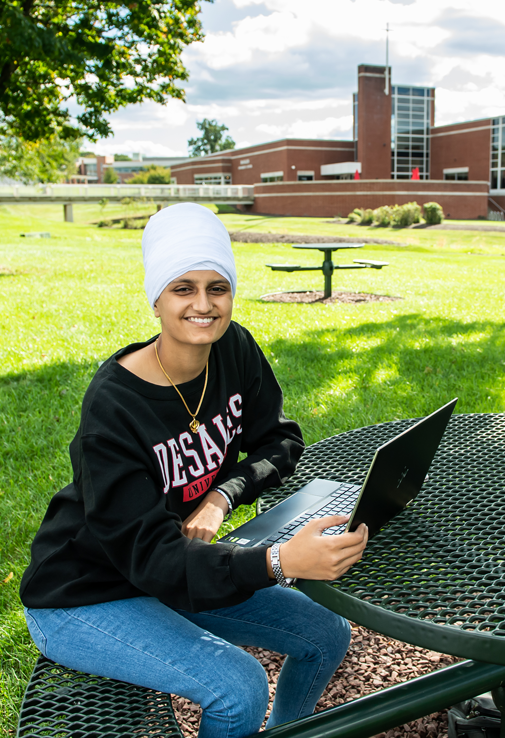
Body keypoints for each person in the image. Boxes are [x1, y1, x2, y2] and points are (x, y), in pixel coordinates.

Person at [19, 203, 369, 738]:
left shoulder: (235, 348)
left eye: (217, 287)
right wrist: (277, 562)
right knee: (239, 687)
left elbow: (280, 440)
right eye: (183, 288)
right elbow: (153, 559)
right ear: (156, 298)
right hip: (83, 594)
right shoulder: (113, 408)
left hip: (171, 569)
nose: (203, 305)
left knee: (326, 633)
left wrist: (222, 495)